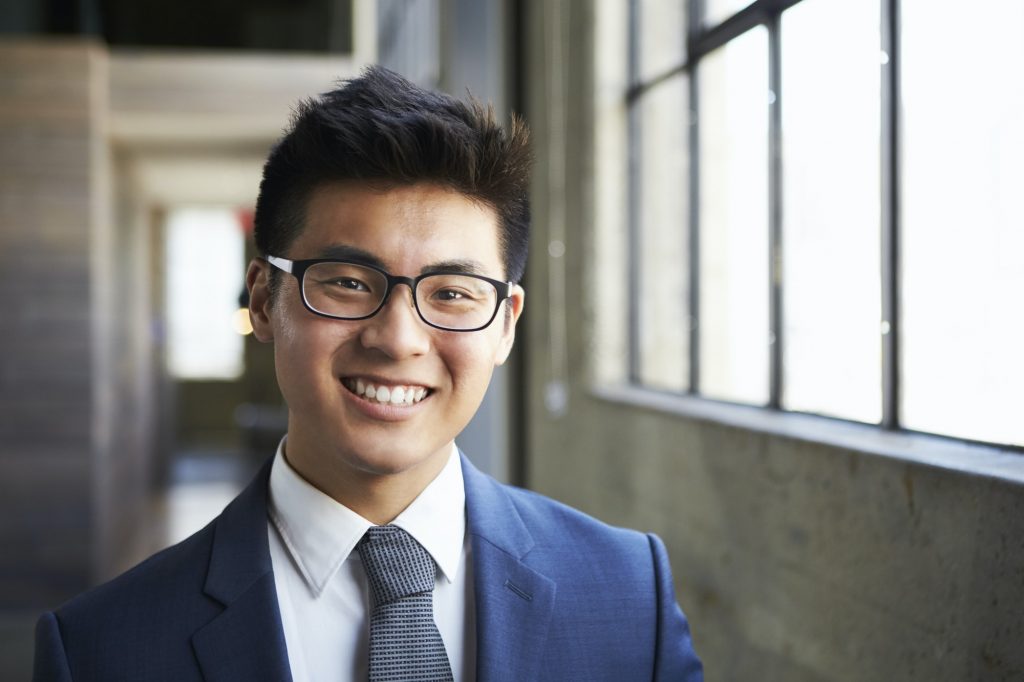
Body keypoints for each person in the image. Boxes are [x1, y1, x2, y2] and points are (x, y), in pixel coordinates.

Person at [33, 66, 702, 682]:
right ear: (264, 300)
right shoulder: (102, 649)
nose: (398, 339)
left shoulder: (627, 593)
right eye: (350, 283)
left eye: (451, 293)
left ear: (505, 323)